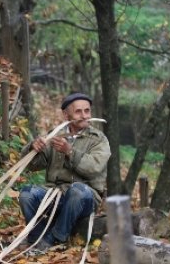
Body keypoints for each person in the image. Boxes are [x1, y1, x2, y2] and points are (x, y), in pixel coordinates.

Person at [18, 92, 111, 252]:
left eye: (87, 111)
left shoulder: (99, 139)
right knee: (27, 194)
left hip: (84, 198)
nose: (84, 116)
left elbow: (93, 168)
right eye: (78, 111)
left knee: (77, 191)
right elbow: (32, 165)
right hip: (55, 195)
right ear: (66, 114)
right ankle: (37, 238)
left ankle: (55, 239)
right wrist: (33, 148)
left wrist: (70, 152)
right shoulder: (56, 135)